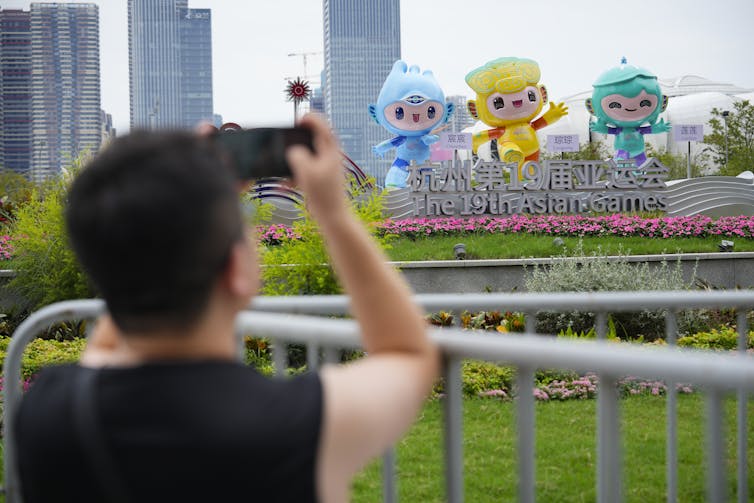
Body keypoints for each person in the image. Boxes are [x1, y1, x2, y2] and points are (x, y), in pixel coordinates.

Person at [15, 115, 439, 502]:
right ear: (237, 271)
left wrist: (175, 192)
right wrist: (333, 213)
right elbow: (408, 353)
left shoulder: (49, 414)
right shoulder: (294, 425)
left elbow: (128, 277)